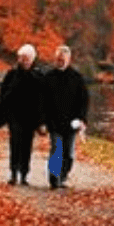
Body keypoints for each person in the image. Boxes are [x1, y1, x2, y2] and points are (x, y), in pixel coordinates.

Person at [0, 44, 45, 185]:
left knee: (27, 146)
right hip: (15, 116)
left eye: (27, 58)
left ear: (32, 59)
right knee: (15, 144)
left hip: (31, 118)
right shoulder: (11, 75)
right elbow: (3, 95)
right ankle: (13, 173)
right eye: (22, 58)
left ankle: (24, 174)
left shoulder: (38, 76)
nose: (24, 61)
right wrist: (3, 115)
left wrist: (42, 121)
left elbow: (42, 101)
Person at [43, 44, 90, 190]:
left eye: (63, 59)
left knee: (68, 154)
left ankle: (62, 177)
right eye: (58, 59)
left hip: (71, 123)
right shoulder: (48, 77)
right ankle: (53, 178)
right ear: (55, 59)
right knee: (56, 149)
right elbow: (41, 101)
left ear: (69, 59)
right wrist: (42, 121)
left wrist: (82, 119)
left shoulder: (77, 78)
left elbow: (84, 100)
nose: (61, 61)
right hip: (53, 122)